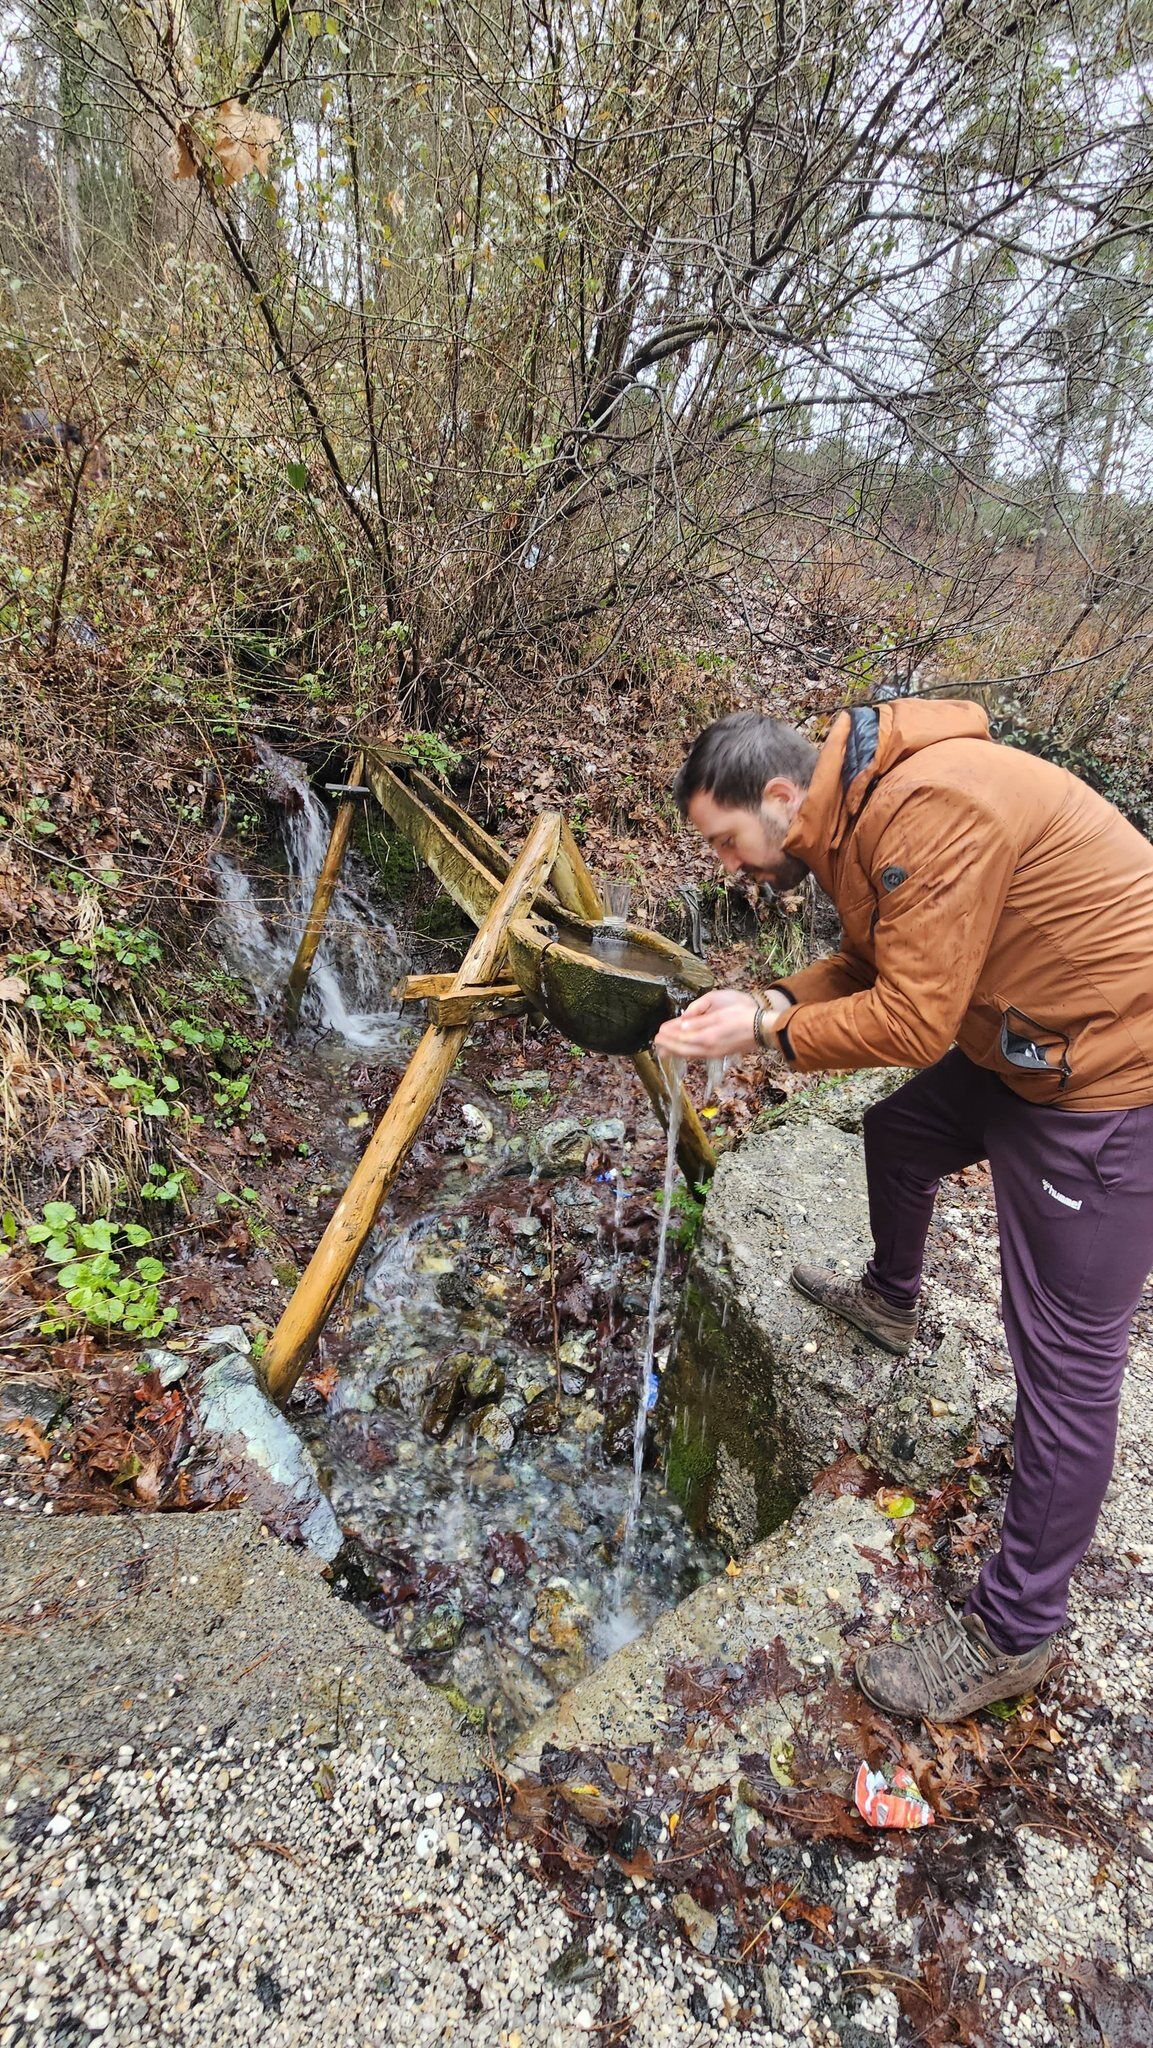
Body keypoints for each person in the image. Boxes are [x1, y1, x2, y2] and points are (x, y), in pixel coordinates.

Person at [654, 699, 1153, 1724]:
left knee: (1063, 1367)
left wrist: (766, 1032)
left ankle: (1014, 1632)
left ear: (780, 797)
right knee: (902, 1136)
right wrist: (773, 996)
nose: (726, 864)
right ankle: (889, 1299)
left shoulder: (929, 811)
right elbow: (885, 960)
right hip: (1019, 1037)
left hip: (1108, 1068)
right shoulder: (856, 811)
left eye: (724, 840)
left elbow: (914, 1013)